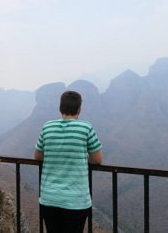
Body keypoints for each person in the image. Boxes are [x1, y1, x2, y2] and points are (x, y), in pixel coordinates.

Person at [34, 90, 103, 233]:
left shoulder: (47, 126)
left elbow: (38, 156)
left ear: (60, 108)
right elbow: (97, 160)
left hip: (49, 198)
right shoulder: (86, 128)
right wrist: (81, 157)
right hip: (75, 201)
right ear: (79, 109)